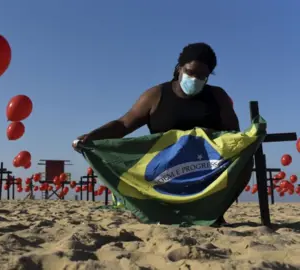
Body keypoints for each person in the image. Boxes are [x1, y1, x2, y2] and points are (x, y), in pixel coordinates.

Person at [73, 42, 249, 226]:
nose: (195, 79)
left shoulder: (217, 97)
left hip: (204, 172)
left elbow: (233, 136)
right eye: (190, 72)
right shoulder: (156, 95)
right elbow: (123, 124)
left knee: (245, 161)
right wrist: (92, 137)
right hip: (163, 174)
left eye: (201, 76)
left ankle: (211, 212)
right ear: (179, 68)